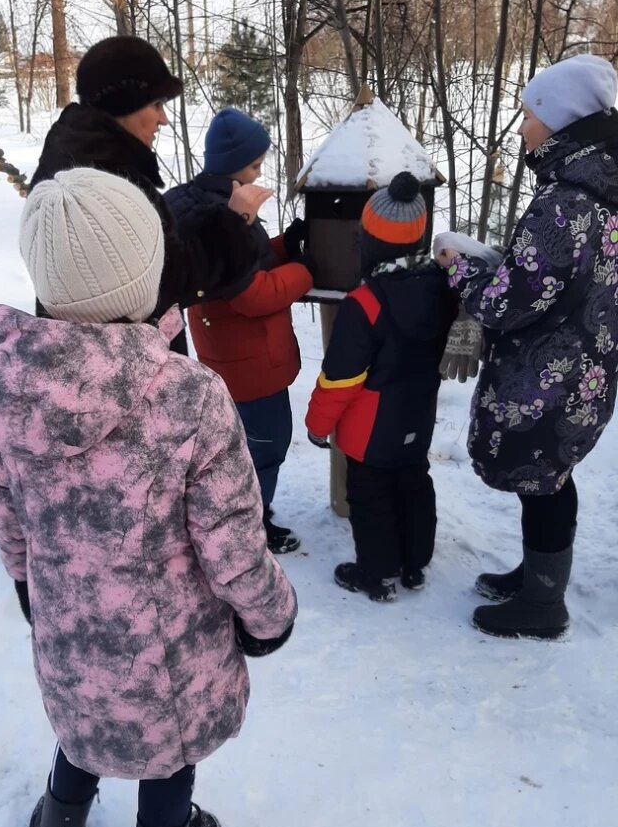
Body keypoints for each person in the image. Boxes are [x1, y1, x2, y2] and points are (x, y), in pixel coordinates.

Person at [0, 167, 297, 827]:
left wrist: (27, 586)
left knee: (84, 729)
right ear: (146, 275)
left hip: (68, 629)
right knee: (166, 753)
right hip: (169, 649)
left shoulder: (12, 389)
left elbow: (6, 511)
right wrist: (270, 616)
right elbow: (232, 542)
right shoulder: (186, 396)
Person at [434, 53, 618, 640]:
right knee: (551, 477)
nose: (521, 129)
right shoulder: (603, 189)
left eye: (530, 115)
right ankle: (538, 577)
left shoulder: (566, 203)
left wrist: (459, 267)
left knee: (544, 483)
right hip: (588, 367)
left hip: (549, 376)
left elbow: (506, 303)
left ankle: (543, 606)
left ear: (561, 120)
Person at [30, 37, 267, 352]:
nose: (163, 119)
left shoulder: (75, 155)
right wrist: (235, 222)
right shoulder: (104, 181)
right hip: (129, 364)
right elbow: (163, 282)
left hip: (88, 358)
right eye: (156, 105)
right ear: (124, 105)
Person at [166, 108, 315, 554]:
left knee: (243, 448)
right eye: (254, 165)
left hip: (232, 355)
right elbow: (252, 293)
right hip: (250, 364)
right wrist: (306, 271)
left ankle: (240, 516)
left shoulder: (214, 206)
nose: (259, 173)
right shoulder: (222, 216)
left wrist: (285, 246)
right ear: (232, 167)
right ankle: (250, 530)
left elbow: (247, 262)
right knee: (265, 448)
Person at [305, 172, 457, 601]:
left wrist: (318, 425)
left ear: (369, 239)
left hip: (369, 429)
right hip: (417, 416)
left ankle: (377, 573)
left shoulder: (365, 303)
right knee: (413, 483)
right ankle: (414, 564)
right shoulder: (442, 286)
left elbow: (339, 379)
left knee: (370, 496)